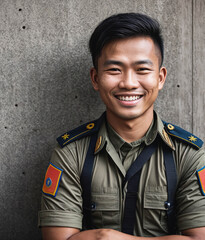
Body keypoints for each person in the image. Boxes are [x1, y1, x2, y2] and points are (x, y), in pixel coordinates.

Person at [38, 13, 205, 240]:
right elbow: (58, 238)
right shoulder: (71, 153)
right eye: (115, 70)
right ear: (95, 78)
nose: (128, 82)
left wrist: (105, 237)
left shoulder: (189, 154)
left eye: (142, 70)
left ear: (160, 77)